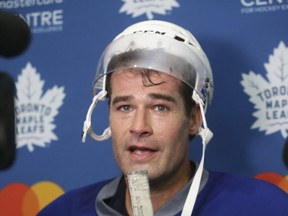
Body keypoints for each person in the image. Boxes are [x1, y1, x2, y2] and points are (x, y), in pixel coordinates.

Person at [38, 20, 288, 216]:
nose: (139, 127)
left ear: (193, 119)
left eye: (159, 107)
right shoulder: (62, 212)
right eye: (125, 107)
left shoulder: (264, 207)